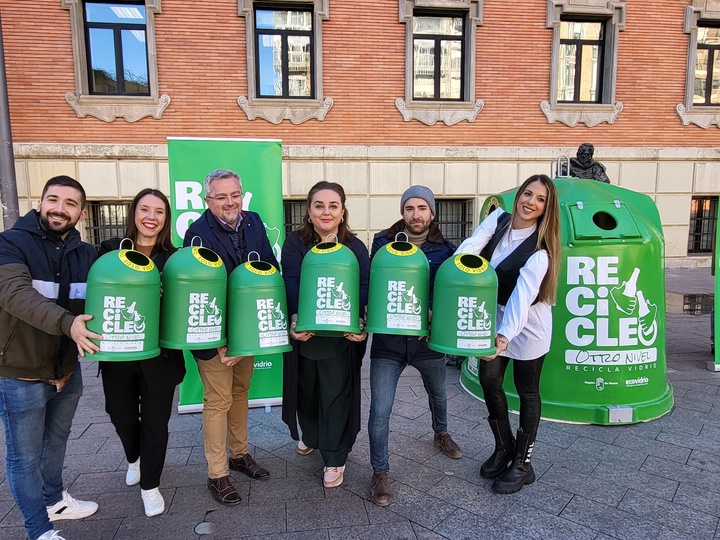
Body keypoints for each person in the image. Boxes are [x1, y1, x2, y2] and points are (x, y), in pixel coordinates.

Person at [0, 176, 100, 540]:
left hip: (66, 371)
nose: (60, 208)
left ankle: (54, 499)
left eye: (70, 203)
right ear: (40, 203)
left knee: (57, 441)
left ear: (81, 212)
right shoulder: (10, 243)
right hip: (20, 373)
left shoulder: (86, 254)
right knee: (23, 456)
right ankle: (38, 529)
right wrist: (67, 323)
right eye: (53, 200)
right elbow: (14, 294)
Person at [455, 174, 560, 495]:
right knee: (489, 380)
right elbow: (472, 246)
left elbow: (521, 298)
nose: (531, 202)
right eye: (528, 194)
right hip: (495, 314)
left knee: (527, 392)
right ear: (519, 195)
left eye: (540, 199)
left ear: (546, 208)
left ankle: (523, 463)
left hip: (527, 324)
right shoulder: (497, 220)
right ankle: (504, 446)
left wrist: (504, 337)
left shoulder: (540, 251)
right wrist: (461, 264)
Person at [183, 169, 278, 505]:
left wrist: (250, 332)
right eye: (221, 197)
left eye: (234, 195)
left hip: (246, 332)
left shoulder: (253, 221)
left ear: (242, 194)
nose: (230, 202)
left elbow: (269, 267)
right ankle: (218, 474)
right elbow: (199, 292)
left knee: (240, 392)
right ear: (208, 200)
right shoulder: (196, 234)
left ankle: (239, 455)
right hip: (214, 338)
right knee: (218, 401)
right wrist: (221, 342)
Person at [367, 185, 461, 507]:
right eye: (410, 208)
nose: (415, 214)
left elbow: (446, 288)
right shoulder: (383, 242)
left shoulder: (446, 249)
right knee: (380, 409)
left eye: (422, 208)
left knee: (438, 394)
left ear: (432, 213)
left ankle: (441, 433)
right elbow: (371, 282)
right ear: (402, 211)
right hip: (389, 343)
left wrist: (434, 311)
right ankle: (380, 472)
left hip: (427, 340)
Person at [98, 189, 186, 517]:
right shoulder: (108, 252)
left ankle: (150, 485)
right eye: (145, 209)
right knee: (118, 414)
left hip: (160, 357)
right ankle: (133, 456)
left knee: (156, 423)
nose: (151, 217)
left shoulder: (174, 259)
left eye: (159, 211)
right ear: (134, 213)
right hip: (119, 354)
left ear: (166, 219)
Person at [281, 181, 369, 489]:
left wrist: (359, 322)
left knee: (335, 394)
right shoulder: (295, 243)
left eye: (333, 206)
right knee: (305, 391)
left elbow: (363, 286)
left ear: (343, 211)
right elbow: (290, 282)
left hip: (339, 338)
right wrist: (294, 320)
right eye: (319, 205)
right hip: (305, 333)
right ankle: (313, 436)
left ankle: (334, 456)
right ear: (309, 211)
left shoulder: (355, 247)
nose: (326, 212)